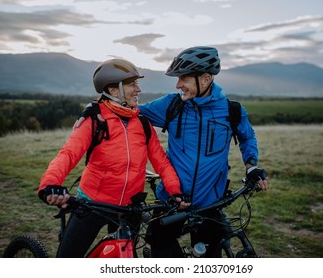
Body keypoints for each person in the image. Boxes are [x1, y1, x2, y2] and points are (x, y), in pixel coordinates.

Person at [75, 46, 268, 257]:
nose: (178, 85)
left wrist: (252, 166)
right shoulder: (171, 105)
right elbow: (129, 110)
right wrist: (95, 107)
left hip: (210, 202)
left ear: (205, 79)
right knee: (160, 249)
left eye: (183, 78)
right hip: (171, 200)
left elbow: (247, 137)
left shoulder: (232, 111)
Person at [38, 58, 187, 258]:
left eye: (137, 84)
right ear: (114, 91)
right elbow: (68, 154)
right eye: (132, 84)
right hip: (92, 204)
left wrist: (175, 191)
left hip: (129, 209)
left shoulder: (142, 124)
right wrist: (50, 183)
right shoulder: (95, 120)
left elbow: (162, 162)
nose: (138, 89)